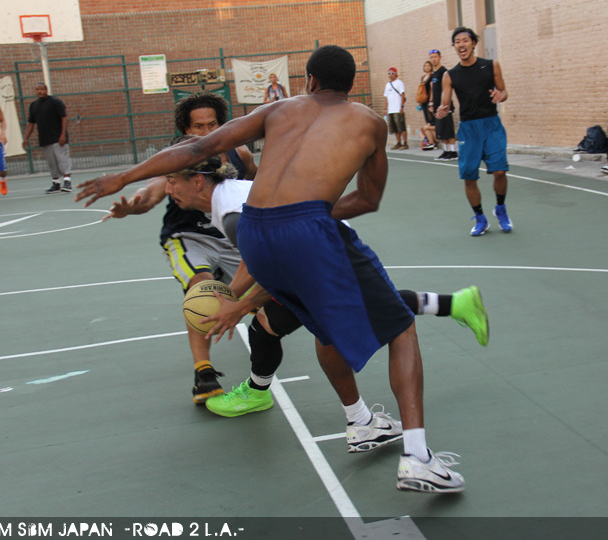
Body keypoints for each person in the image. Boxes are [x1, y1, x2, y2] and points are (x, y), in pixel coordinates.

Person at [77, 45, 466, 493]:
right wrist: (311, 216)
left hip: (254, 231)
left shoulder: (279, 108)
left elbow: (199, 147)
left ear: (310, 80)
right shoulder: (371, 122)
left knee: (324, 330)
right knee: (401, 327)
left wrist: (121, 177)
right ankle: (417, 458)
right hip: (306, 229)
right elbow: (368, 199)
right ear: (351, 84)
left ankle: (361, 423)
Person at [159, 142, 489, 438]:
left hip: (330, 256)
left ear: (198, 181)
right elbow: (258, 262)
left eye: (172, 180)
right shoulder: (229, 201)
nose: (167, 189)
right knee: (274, 329)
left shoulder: (233, 215)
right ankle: (339, 415)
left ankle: (371, 427)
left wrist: (238, 305)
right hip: (314, 256)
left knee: (348, 330)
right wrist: (231, 297)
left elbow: (281, 267)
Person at [102, 92, 257, 404]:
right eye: (198, 126)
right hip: (188, 236)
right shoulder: (177, 158)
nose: (206, 132)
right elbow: (151, 194)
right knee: (201, 289)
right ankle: (204, 373)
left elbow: (258, 186)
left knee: (266, 300)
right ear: (186, 130)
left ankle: (262, 368)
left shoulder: (240, 155)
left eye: (212, 125)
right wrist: (131, 207)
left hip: (231, 237)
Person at [437, 27, 512, 237]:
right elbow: (445, 103)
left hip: (491, 125)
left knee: (499, 171)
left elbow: (503, 91)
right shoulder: (450, 75)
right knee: (469, 177)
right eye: (457, 42)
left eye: (465, 40)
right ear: (454, 47)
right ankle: (480, 218)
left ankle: (500, 209)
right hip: (469, 129)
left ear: (473, 43)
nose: (461, 44)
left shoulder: (491, 65)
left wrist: (502, 95)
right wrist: (443, 110)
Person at [23, 82, 73, 194]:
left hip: (58, 137)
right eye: (37, 89)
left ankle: (67, 182)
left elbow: (64, 118)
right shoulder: (34, 105)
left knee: (62, 159)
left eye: (42, 89)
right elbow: (31, 123)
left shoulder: (55, 102)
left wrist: (63, 135)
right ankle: (56, 183)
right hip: (45, 138)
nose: (39, 91)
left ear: (46, 90)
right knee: (52, 162)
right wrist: (26, 138)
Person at [428, 49, 458, 161]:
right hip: (437, 107)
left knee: (448, 130)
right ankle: (446, 151)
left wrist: (446, 104)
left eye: (435, 57)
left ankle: (453, 152)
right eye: (431, 57)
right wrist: (431, 103)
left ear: (440, 58)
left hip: (445, 106)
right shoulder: (434, 73)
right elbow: (433, 89)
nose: (433, 59)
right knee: (442, 130)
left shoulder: (444, 72)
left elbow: (448, 89)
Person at [384, 67, 408, 150]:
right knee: (394, 127)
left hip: (398, 108)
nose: (390, 75)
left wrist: (402, 106)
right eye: (389, 73)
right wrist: (385, 108)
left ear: (396, 74)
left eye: (392, 73)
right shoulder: (387, 85)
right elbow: (386, 97)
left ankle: (405, 143)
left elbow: (402, 94)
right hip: (391, 109)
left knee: (401, 126)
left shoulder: (399, 83)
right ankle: (398, 142)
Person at [417, 61, 436, 150]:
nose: (427, 67)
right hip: (424, 100)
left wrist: (431, 100)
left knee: (430, 116)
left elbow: (432, 89)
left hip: (429, 100)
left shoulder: (432, 76)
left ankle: (430, 134)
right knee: (426, 117)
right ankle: (427, 138)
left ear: (431, 67)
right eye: (425, 66)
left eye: (428, 66)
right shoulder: (423, 77)